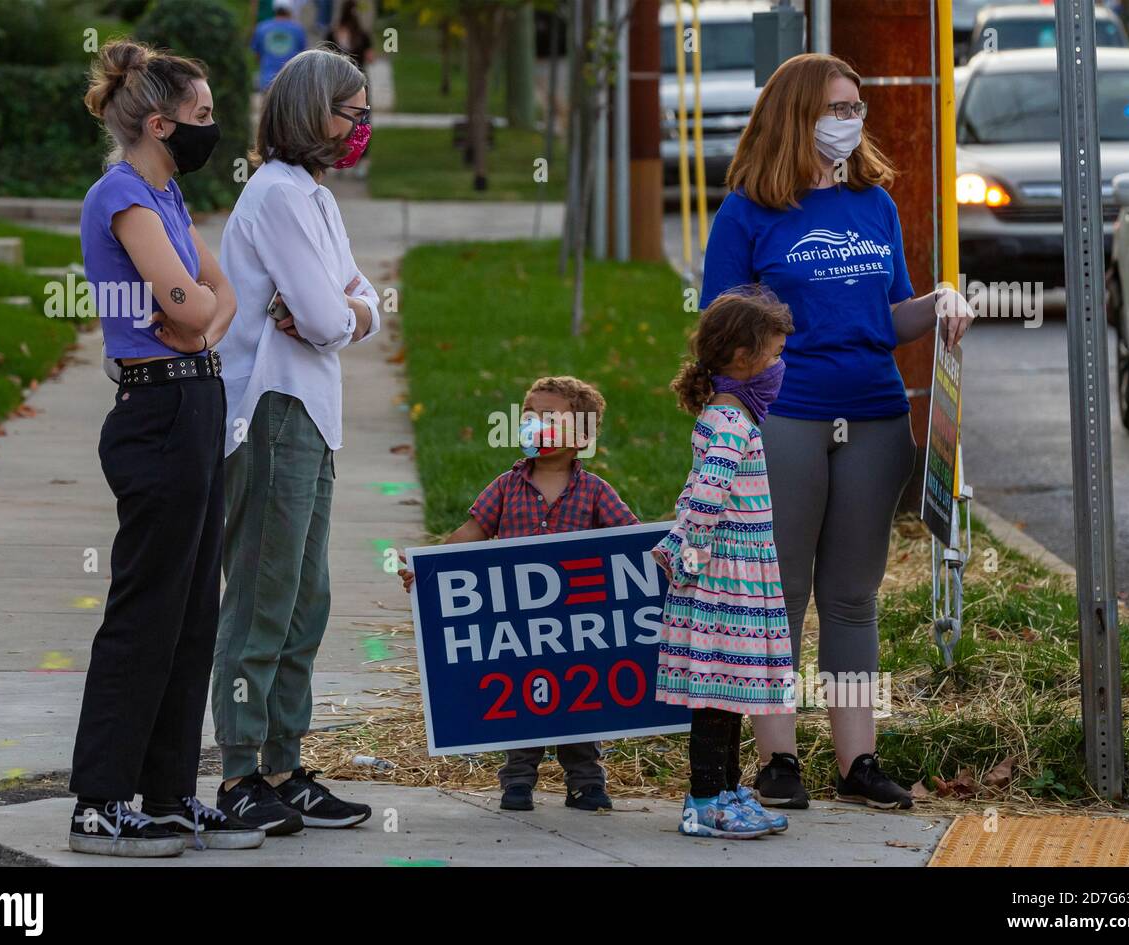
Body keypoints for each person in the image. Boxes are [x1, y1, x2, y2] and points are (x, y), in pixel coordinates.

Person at [702, 53, 974, 812]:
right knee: (781, 591)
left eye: (856, 107)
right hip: (788, 415)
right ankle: (779, 760)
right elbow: (719, 330)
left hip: (877, 412)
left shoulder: (873, 203)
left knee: (853, 596)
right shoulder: (748, 211)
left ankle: (858, 762)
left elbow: (888, 319)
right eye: (836, 107)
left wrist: (943, 304)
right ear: (795, 114)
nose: (849, 121)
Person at [69, 39, 262, 856]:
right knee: (146, 608)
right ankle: (99, 803)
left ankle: (171, 794)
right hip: (156, 413)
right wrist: (195, 319)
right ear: (158, 121)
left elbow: (222, 300)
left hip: (194, 398)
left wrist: (195, 321)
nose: (213, 131)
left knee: (192, 612)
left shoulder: (169, 197)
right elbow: (190, 308)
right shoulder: (124, 197)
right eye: (203, 116)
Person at [211, 48, 378, 834]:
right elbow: (322, 317)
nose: (361, 128)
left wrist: (346, 312)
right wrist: (340, 312)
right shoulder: (276, 195)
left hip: (315, 412)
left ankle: (285, 764)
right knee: (263, 602)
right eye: (352, 113)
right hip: (273, 412)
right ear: (312, 112)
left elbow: (355, 303)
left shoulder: (314, 195)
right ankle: (240, 773)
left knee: (306, 599)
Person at [398, 377, 638, 812]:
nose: (535, 425)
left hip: (575, 629)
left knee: (579, 704)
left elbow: (631, 541)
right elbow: (472, 532)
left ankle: (585, 781)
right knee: (521, 701)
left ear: (582, 436)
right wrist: (429, 568)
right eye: (529, 416)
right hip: (519, 629)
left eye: (549, 418)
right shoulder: (506, 486)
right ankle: (517, 781)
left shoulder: (595, 491)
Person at [653, 289, 797, 839]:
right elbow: (705, 492)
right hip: (724, 581)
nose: (781, 366)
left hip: (739, 572)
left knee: (729, 690)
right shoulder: (732, 422)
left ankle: (730, 791)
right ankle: (704, 802)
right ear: (742, 357)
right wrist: (685, 551)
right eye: (775, 353)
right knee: (716, 694)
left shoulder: (729, 413)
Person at [252, 0, 308, 93]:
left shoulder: (262, 27)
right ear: (290, 10)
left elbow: (257, 56)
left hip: (266, 81)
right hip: (290, 82)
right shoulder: (298, 29)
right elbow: (303, 55)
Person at [326, 0, 373, 74]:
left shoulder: (332, 34)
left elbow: (325, 58)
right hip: (358, 75)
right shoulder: (363, 35)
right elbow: (370, 58)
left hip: (338, 76)